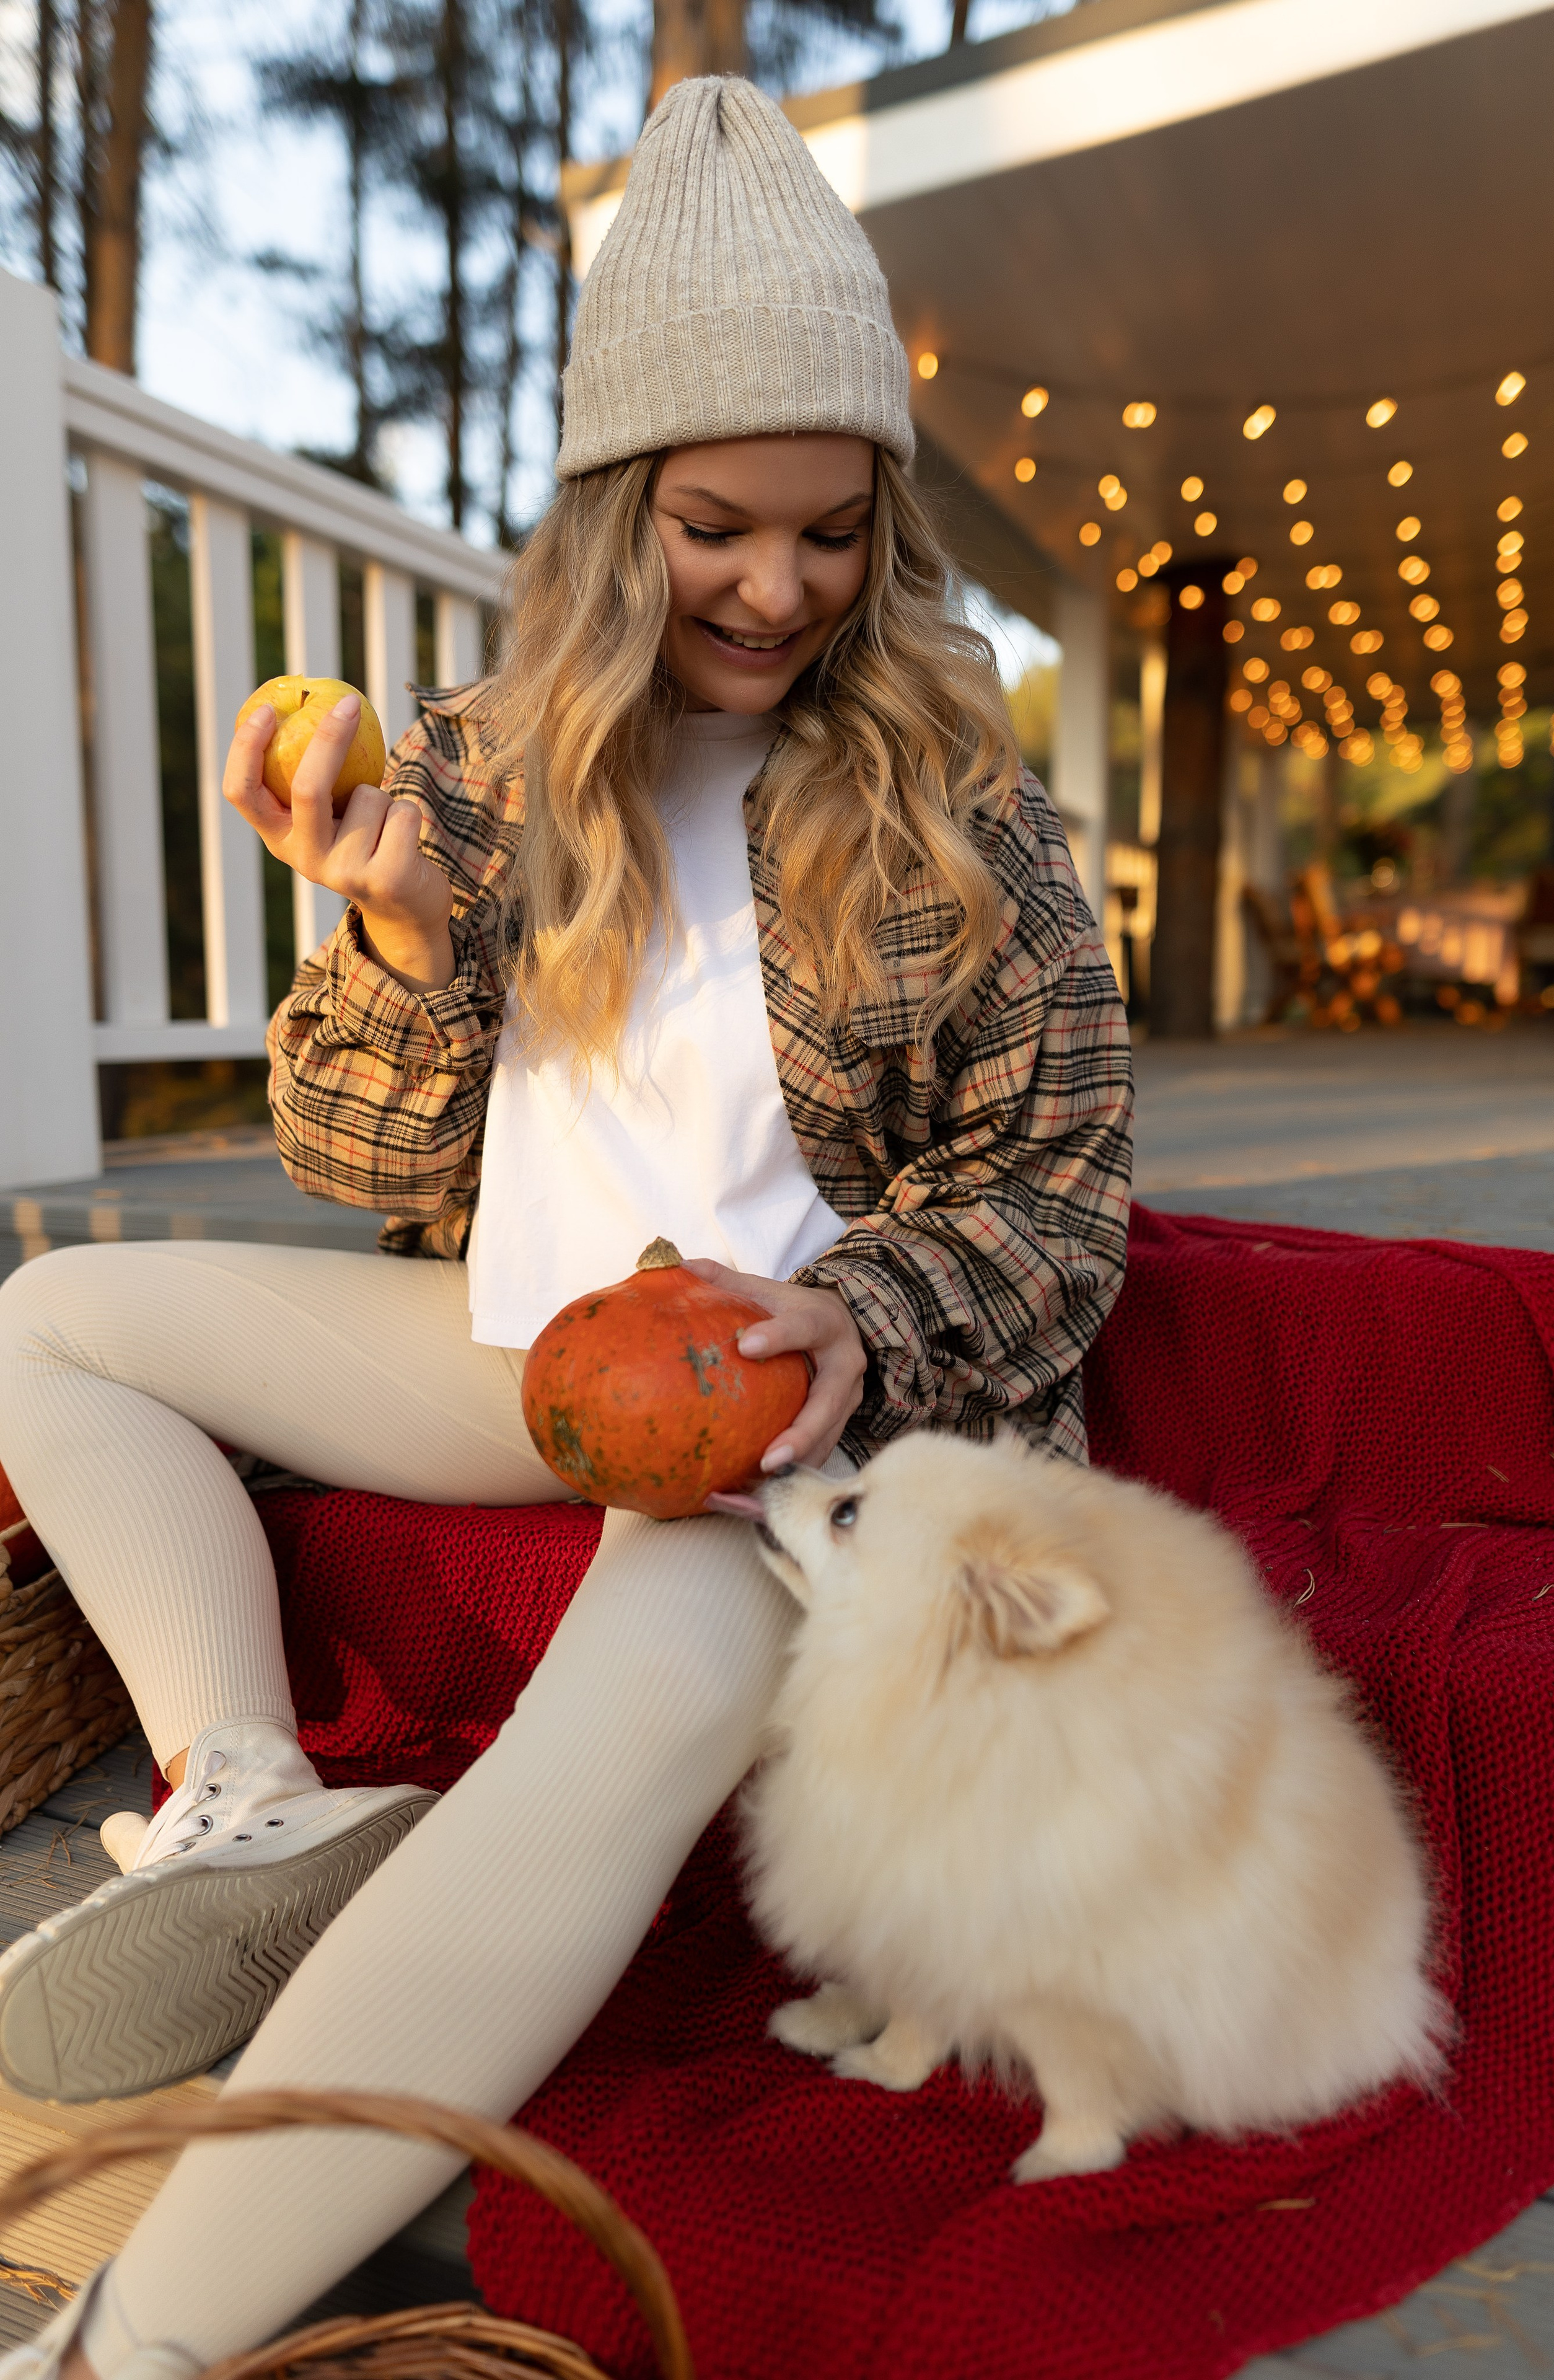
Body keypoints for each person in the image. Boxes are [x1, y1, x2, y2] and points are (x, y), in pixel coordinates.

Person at [0, 75, 1132, 2379]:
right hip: (524, 1354)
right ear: (621, 508)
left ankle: (131, 2346)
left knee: (584, 1767)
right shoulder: (484, 760)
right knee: (56, 1314)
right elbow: (361, 1163)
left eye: (832, 533)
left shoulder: (955, 800)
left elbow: (1061, 1191)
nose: (777, 588)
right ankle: (235, 1795)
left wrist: (858, 1320)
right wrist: (405, 937)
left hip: (794, 1441)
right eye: (720, 525)